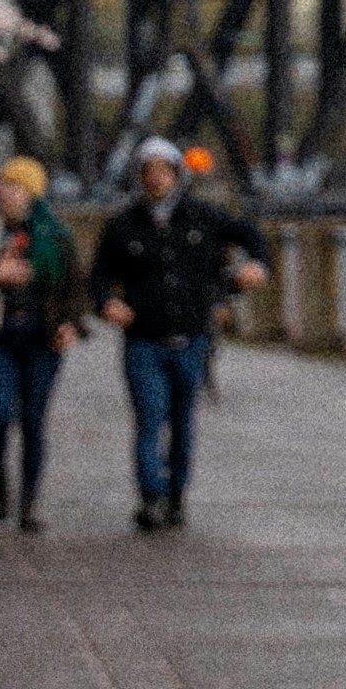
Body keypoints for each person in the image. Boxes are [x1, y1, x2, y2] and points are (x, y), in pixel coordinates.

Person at [92, 141, 268, 531]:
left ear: (177, 174)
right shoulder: (122, 225)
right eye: (148, 171)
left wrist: (257, 265)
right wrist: (105, 302)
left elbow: (250, 235)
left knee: (183, 419)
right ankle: (151, 494)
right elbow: (99, 275)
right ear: (139, 177)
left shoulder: (203, 216)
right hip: (144, 338)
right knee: (150, 415)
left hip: (191, 335)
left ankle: (176, 493)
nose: (157, 177)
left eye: (164, 170)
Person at [0, 157, 80, 530]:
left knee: (33, 420)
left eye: (15, 186)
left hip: (42, 338)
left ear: (32, 194)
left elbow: (74, 290)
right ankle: (0, 474)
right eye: (3, 184)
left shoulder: (57, 237)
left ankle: (29, 503)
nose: (5, 191)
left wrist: (70, 325)